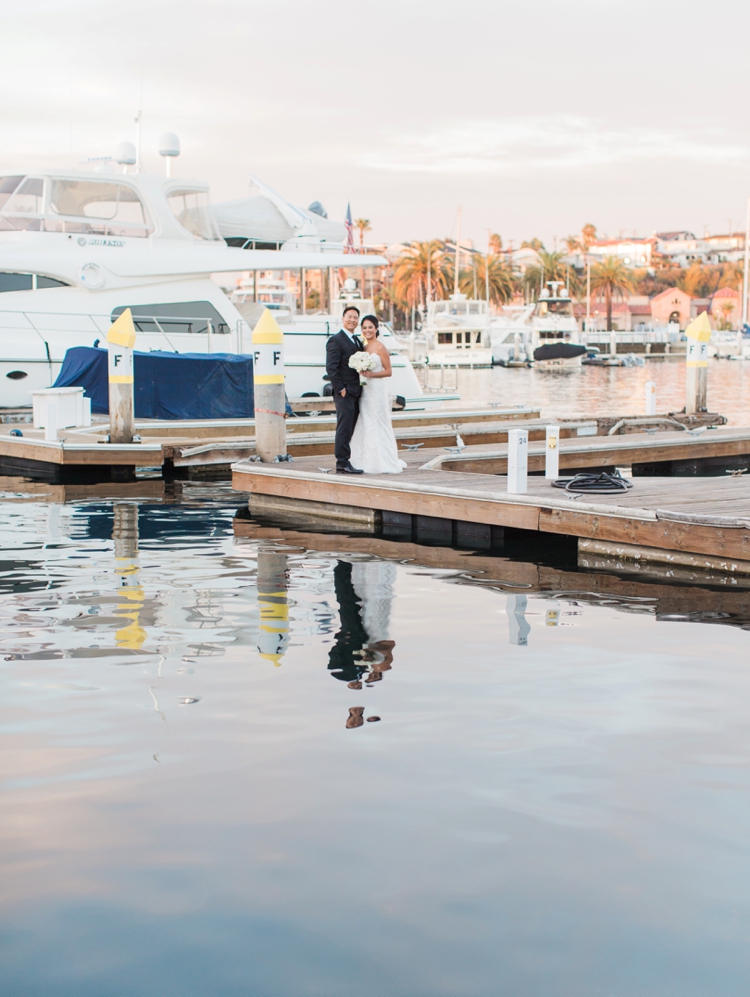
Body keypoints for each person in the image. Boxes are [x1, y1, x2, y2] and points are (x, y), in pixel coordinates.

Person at [349, 315, 407, 474]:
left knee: (379, 421)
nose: (367, 330)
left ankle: (384, 460)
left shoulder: (380, 347)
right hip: (366, 390)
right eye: (365, 328)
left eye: (370, 327)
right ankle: (364, 459)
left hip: (378, 389)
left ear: (376, 329)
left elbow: (388, 371)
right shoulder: (363, 348)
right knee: (366, 421)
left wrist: (371, 375)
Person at [325, 304, 365, 474]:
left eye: (355, 317)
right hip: (344, 392)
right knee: (344, 426)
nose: (352, 320)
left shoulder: (357, 340)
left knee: (351, 426)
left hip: (356, 391)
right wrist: (340, 389)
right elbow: (331, 367)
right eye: (349, 316)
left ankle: (347, 458)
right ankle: (342, 461)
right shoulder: (335, 340)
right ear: (343, 319)